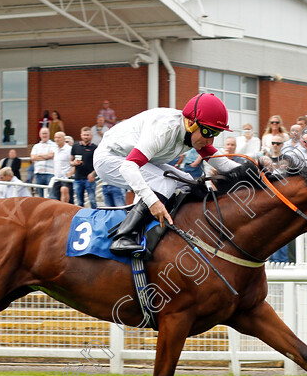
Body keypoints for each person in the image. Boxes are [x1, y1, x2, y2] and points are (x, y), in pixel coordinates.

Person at [93, 92, 240, 255]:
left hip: (137, 160)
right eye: (207, 132)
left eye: (216, 133)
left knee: (188, 182)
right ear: (191, 123)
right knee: (165, 183)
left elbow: (223, 163)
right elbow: (128, 167)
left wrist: (260, 172)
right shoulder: (164, 129)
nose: (210, 140)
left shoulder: (195, 133)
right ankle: (123, 237)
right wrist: (153, 202)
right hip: (110, 158)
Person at [69, 127, 98, 208]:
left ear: (91, 136)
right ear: (81, 135)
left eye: (88, 135)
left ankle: (95, 216)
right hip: (78, 178)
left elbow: (98, 164)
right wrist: (73, 163)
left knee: (92, 200)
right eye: (84, 135)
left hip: (89, 178)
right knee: (79, 201)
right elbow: (70, 161)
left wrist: (93, 174)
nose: (86, 137)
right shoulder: (75, 146)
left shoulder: (95, 148)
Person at [30, 127, 57, 198]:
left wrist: (38, 156)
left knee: (52, 196)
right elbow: (32, 158)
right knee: (40, 196)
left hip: (50, 173)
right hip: (38, 174)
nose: (44, 135)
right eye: (43, 133)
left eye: (46, 133)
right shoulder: (36, 146)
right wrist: (46, 156)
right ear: (40, 135)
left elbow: (51, 155)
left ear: (49, 134)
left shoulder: (54, 145)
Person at [52, 131, 73, 202]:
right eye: (55, 137)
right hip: (57, 177)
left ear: (64, 139)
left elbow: (75, 161)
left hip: (66, 177)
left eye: (59, 137)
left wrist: (71, 172)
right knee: (58, 198)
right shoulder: (55, 149)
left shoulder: (69, 149)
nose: (57, 139)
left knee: (64, 190)